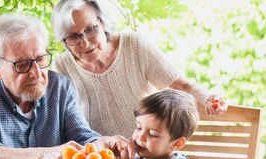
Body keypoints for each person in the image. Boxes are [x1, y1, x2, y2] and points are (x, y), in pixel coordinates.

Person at [0, 13, 134, 159]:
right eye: (22, 65)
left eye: (40, 59)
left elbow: (82, 137)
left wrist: (101, 143)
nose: (37, 73)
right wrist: (44, 155)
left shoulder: (60, 88)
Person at [51, 0, 228, 138]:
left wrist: (208, 97)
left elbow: (182, 85)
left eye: (91, 30)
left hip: (150, 151)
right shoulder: (62, 66)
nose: (85, 43)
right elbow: (63, 122)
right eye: (74, 36)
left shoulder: (134, 45)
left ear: (102, 22)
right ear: (64, 40)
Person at [132, 89, 199, 159]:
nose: (141, 137)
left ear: (176, 143)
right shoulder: (134, 157)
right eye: (139, 127)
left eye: (152, 134)